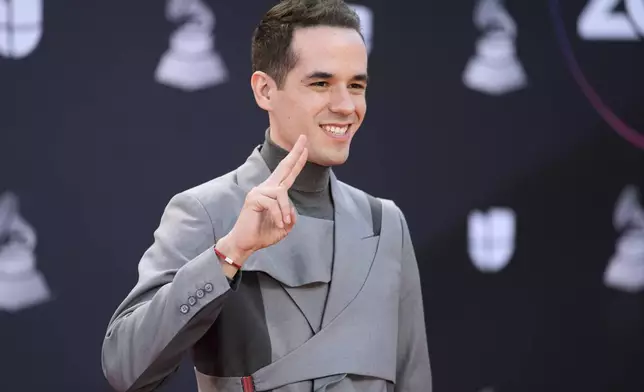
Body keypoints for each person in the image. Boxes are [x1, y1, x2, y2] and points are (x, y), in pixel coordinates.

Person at [100, 0, 432, 391]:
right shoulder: (208, 211)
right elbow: (124, 366)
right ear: (264, 90)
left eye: (356, 85)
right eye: (321, 83)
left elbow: (413, 378)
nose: (346, 106)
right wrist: (229, 254)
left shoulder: (385, 224)